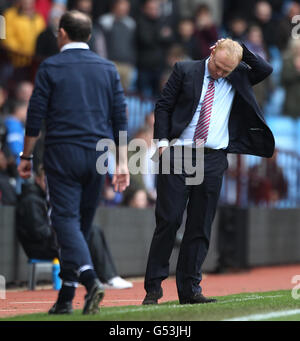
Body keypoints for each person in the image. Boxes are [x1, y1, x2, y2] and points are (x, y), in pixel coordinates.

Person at [142, 38, 274, 305]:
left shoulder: (237, 75)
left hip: (213, 158)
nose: (220, 73)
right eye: (218, 67)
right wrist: (162, 144)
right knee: (168, 220)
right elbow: (164, 106)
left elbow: (265, 69)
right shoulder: (185, 70)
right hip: (178, 152)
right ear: (212, 52)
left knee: (200, 225)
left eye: (226, 70)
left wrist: (238, 50)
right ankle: (154, 288)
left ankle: (190, 289)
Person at [18, 10, 129, 315]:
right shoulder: (108, 68)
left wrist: (26, 156)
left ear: (62, 33)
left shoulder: (50, 66)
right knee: (79, 225)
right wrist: (122, 162)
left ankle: (90, 280)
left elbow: (35, 116)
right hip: (98, 155)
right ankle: (66, 296)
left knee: (64, 222)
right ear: (90, 37)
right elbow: (120, 117)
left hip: (62, 153)